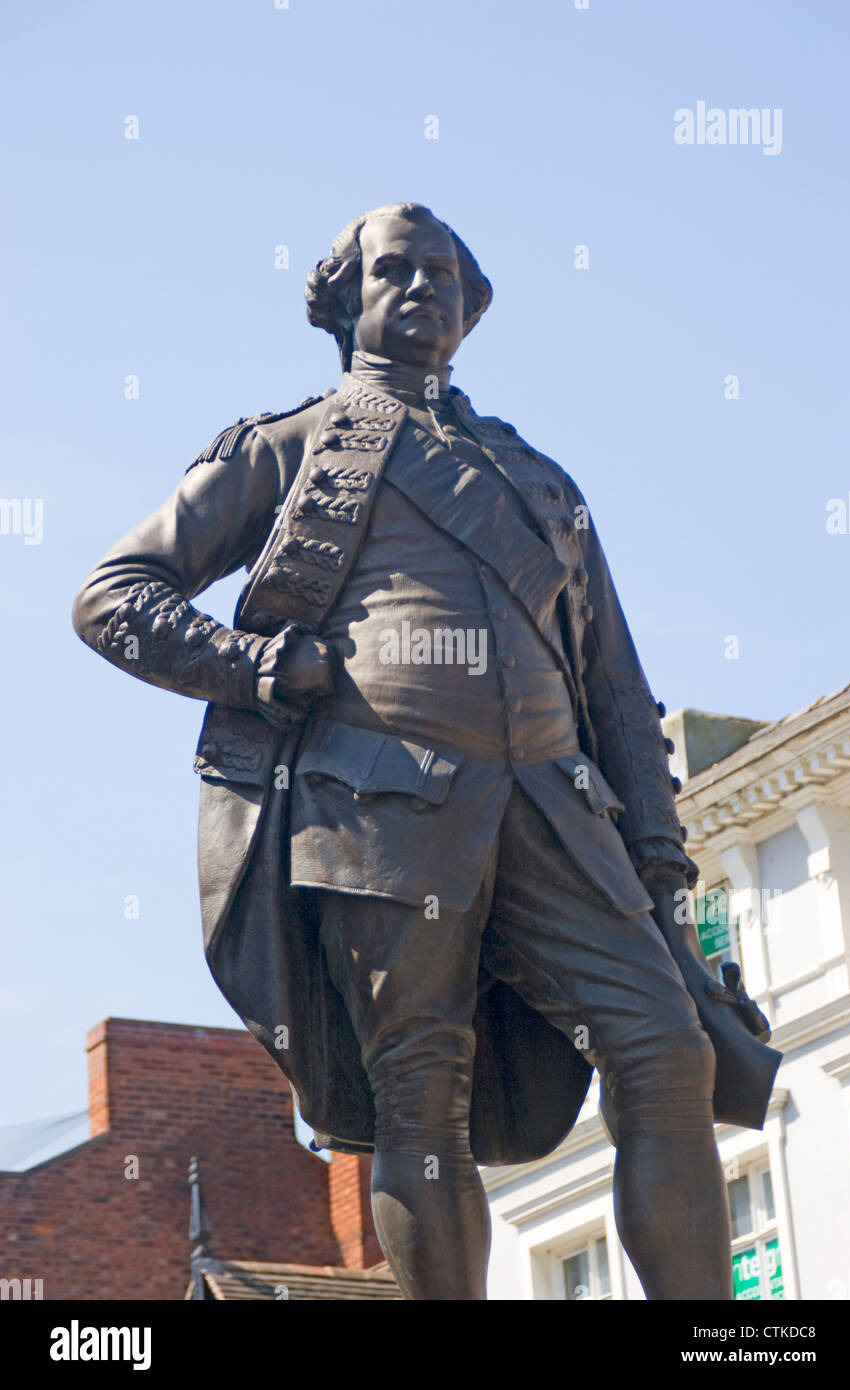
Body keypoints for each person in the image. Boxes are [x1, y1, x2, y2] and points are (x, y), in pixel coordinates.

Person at [74, 202, 738, 1300]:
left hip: (557, 807)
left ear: (470, 310)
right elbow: (114, 594)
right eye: (395, 270)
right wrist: (246, 665)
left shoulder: (541, 482)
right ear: (347, 301)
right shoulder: (287, 448)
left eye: (442, 273)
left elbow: (617, 692)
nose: (423, 287)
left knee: (669, 1049)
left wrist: (662, 872)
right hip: (379, 802)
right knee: (416, 1098)